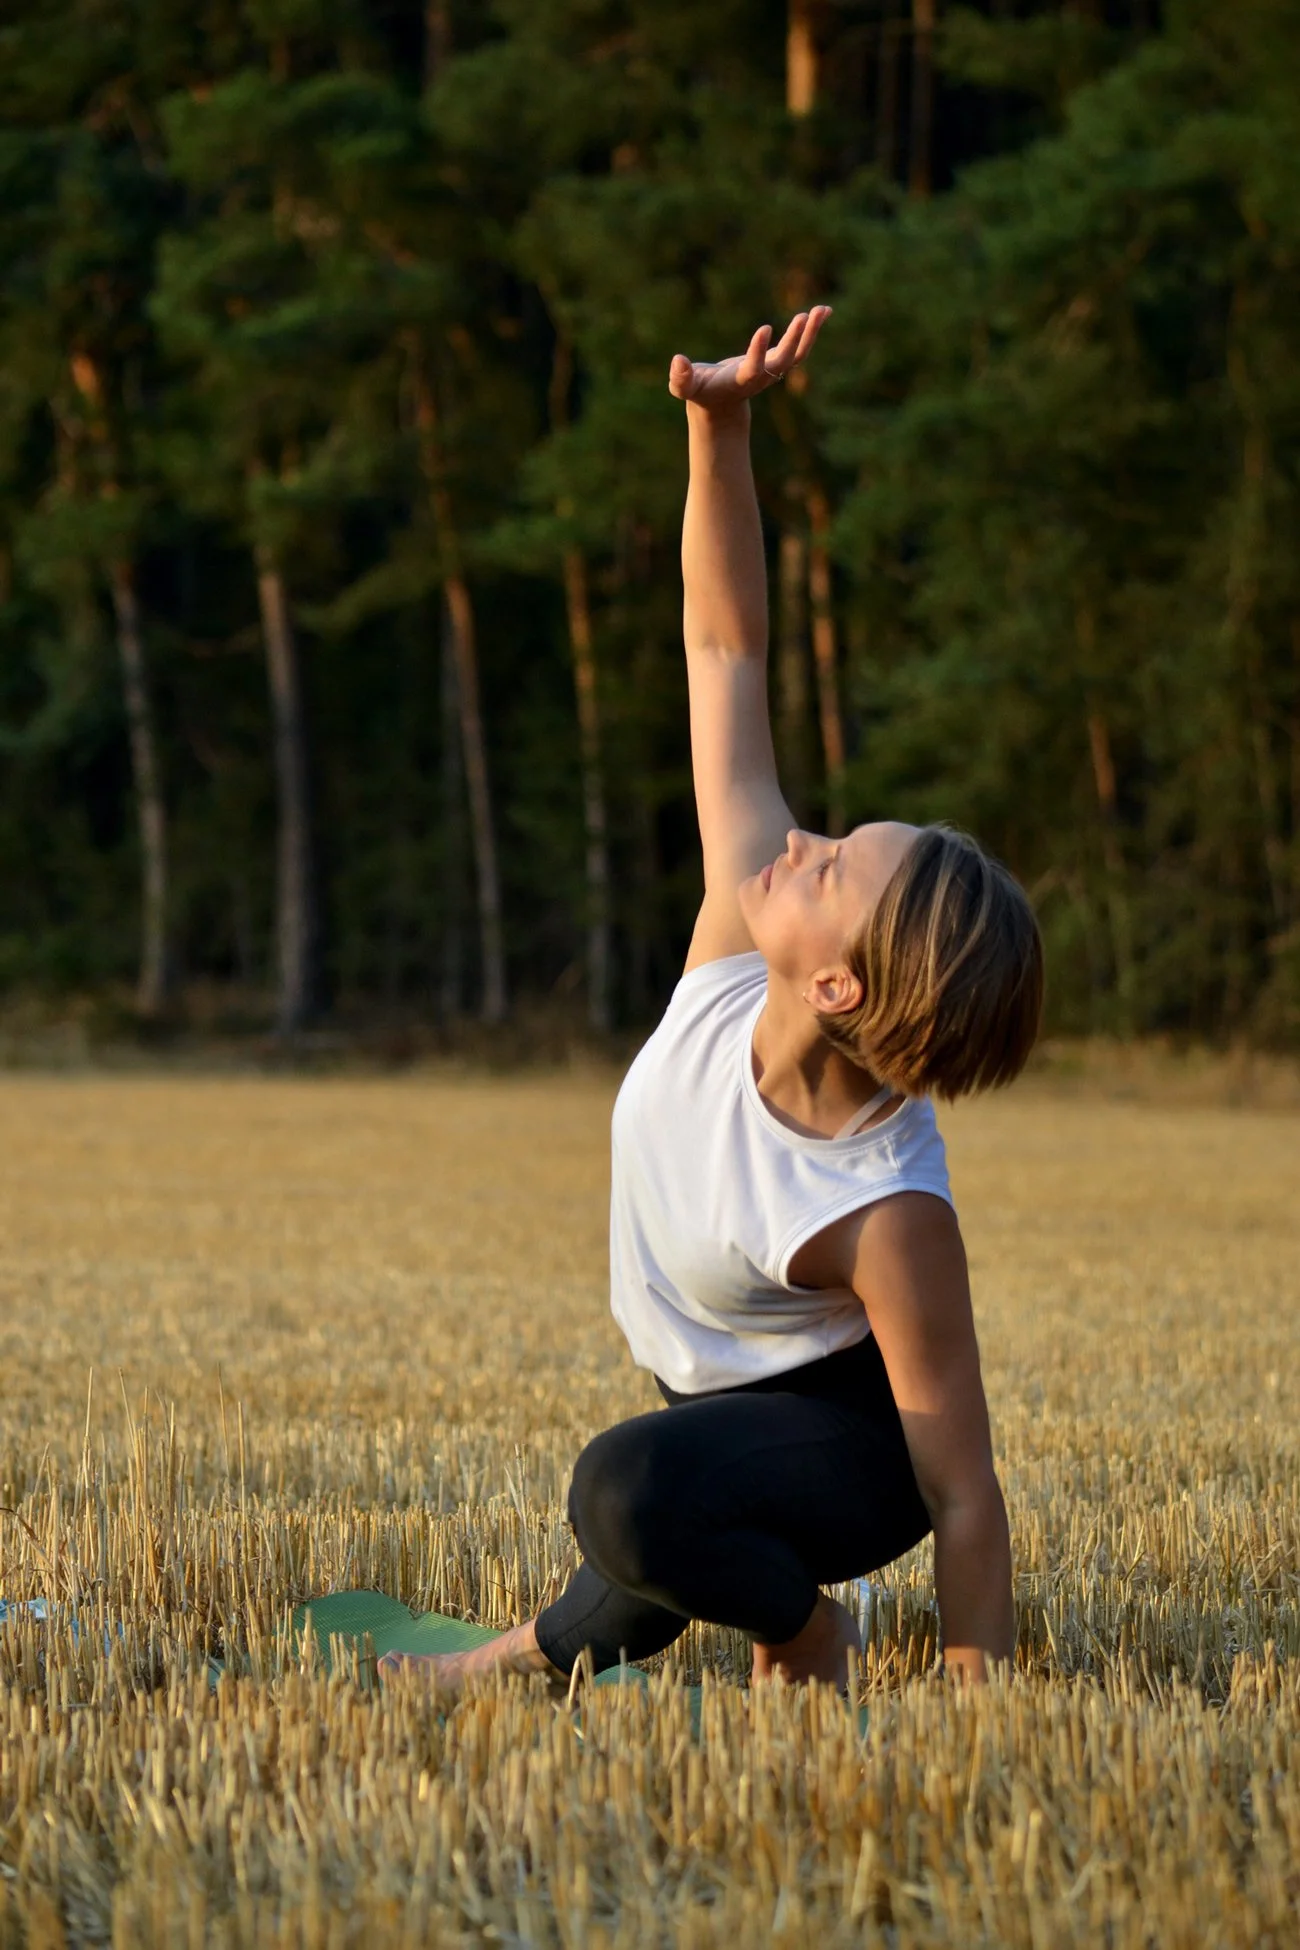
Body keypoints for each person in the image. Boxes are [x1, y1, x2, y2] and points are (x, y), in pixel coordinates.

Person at [380, 308, 1043, 1698]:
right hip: (720, 1411)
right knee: (654, 1510)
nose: (795, 839)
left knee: (632, 1492)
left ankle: (806, 1634)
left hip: (846, 1454)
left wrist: (986, 1708)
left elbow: (963, 1487)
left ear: (840, 981)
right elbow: (725, 651)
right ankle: (529, 1653)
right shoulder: (737, 945)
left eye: (829, 863)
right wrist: (720, 428)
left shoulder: (884, 1208)